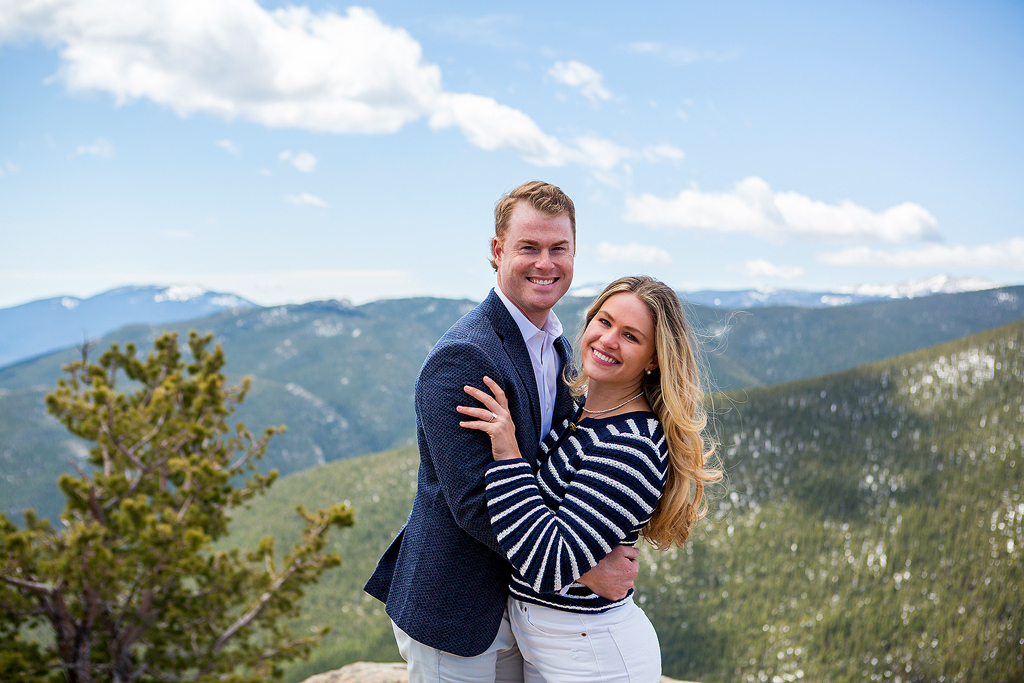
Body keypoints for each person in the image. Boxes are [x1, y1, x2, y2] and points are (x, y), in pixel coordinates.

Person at [364, 182, 641, 683]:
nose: (545, 263)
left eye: (559, 248)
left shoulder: (554, 344)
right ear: (497, 252)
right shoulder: (465, 357)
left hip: (517, 599)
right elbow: (471, 502)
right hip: (457, 602)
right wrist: (581, 566)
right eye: (528, 248)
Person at [458, 275, 722, 683]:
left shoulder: (631, 443)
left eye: (631, 336)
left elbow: (550, 564)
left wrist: (508, 454)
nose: (609, 339)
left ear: (654, 359)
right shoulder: (578, 413)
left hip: (594, 658)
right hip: (551, 647)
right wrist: (589, 567)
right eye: (604, 321)